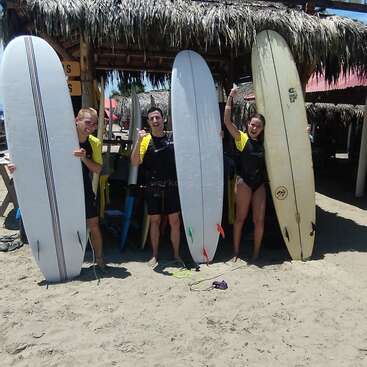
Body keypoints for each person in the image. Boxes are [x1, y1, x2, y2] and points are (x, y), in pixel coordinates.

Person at [7, 107, 107, 270]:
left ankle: (100, 259)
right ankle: (66, 259)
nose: (91, 127)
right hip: (61, 190)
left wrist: (84, 159)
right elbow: (39, 158)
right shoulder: (61, 138)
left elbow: (98, 169)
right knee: (65, 226)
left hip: (84, 190)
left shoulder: (94, 143)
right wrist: (17, 168)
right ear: (77, 120)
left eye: (94, 124)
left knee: (93, 224)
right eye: (88, 122)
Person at [131, 107, 181, 267]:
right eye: (151, 118)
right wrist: (138, 141)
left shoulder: (174, 137)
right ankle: (154, 255)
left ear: (163, 119)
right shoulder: (145, 140)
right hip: (153, 187)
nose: (155, 121)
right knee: (155, 221)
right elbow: (134, 162)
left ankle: (177, 254)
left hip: (172, 186)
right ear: (148, 122)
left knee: (175, 221)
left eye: (157, 117)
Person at [223, 87, 266, 261]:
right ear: (248, 124)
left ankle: (256, 253)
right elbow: (227, 121)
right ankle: (235, 252)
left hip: (259, 184)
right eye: (252, 124)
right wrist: (230, 97)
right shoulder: (242, 138)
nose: (254, 128)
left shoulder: (266, 143)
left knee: (259, 221)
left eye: (258, 126)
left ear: (262, 129)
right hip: (244, 183)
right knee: (240, 218)